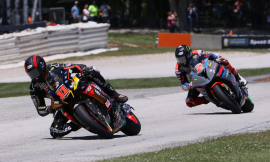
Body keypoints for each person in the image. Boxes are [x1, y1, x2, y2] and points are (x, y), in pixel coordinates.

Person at [24, 55, 128, 138]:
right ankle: (80, 123)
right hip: (62, 103)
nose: (35, 76)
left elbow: (74, 66)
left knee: (91, 71)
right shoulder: (34, 87)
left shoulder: (53, 67)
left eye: (35, 72)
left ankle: (115, 94)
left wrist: (83, 70)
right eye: (31, 74)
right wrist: (50, 109)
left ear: (42, 67)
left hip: (72, 87)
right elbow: (39, 109)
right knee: (55, 131)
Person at [174, 45, 247, 108]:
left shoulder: (197, 53)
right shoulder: (178, 69)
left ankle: (238, 77)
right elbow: (183, 84)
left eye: (182, 59)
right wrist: (188, 86)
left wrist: (218, 58)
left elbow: (211, 55)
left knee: (224, 61)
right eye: (179, 59)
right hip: (196, 82)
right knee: (189, 102)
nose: (181, 61)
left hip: (208, 70)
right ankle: (209, 99)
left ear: (189, 55)